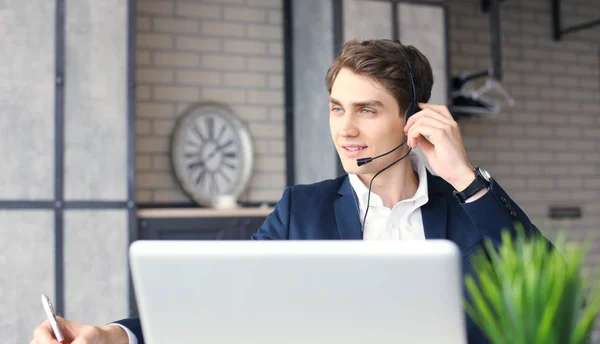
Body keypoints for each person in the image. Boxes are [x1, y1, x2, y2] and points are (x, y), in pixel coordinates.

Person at [32, 39, 547, 344]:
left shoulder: (470, 207)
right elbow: (220, 305)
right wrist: (116, 336)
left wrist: (463, 177)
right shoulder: (303, 208)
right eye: (336, 108)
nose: (345, 129)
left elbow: (550, 287)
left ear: (412, 119)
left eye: (366, 110)